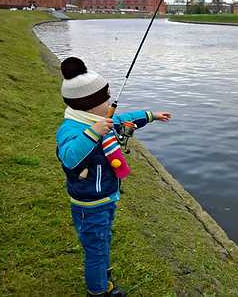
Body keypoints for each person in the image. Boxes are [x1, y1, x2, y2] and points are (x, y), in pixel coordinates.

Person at [56, 57, 171, 296]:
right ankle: (98, 291)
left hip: (106, 198)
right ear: (89, 104)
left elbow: (123, 120)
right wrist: (93, 133)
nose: (109, 102)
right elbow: (69, 158)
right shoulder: (73, 129)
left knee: (102, 239)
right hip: (89, 204)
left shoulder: (100, 120)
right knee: (95, 250)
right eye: (105, 98)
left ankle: (102, 272)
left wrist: (151, 115)